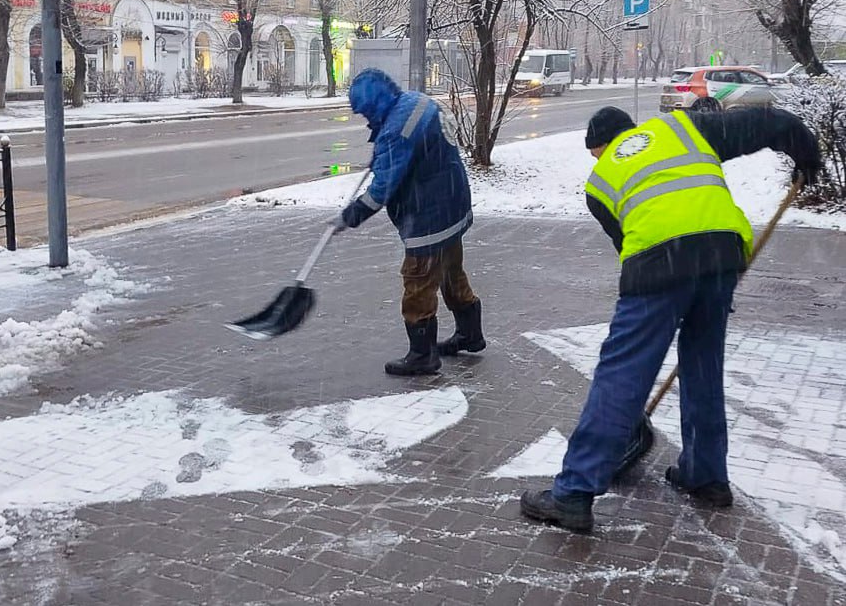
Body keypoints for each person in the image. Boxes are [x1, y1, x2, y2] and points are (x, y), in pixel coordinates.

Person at [520, 104, 823, 532]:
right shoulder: (682, 128)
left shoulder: (600, 183)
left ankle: (573, 492)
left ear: (601, 147)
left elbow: (627, 243)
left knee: (622, 374)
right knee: (702, 364)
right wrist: (805, 152)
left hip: (658, 263)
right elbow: (767, 122)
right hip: (720, 253)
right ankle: (706, 476)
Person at [332, 68, 485, 375]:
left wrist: (353, 214)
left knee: (417, 283)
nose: (365, 119)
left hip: (428, 217)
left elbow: (383, 188)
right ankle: (470, 334)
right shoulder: (416, 102)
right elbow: (412, 146)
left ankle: (422, 355)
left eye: (366, 113)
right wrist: (382, 148)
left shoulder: (397, 131)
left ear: (375, 103)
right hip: (452, 205)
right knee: (451, 273)